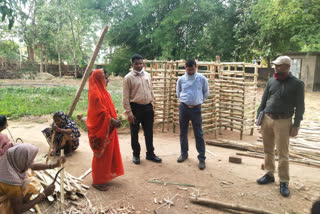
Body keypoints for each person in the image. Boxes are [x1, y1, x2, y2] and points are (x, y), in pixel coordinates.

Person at [256, 55, 305, 197]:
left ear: (287, 67)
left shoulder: (297, 84)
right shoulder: (271, 81)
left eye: (279, 65)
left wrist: (296, 125)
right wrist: (259, 117)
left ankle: (284, 181)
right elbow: (264, 100)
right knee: (268, 149)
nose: (275, 67)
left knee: (283, 153)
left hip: (284, 121)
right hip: (267, 119)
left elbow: (300, 107)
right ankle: (269, 174)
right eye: (275, 65)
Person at [86, 68, 124, 191]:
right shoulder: (95, 94)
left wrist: (115, 119)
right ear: (99, 79)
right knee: (101, 155)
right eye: (105, 78)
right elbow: (100, 113)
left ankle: (105, 176)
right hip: (101, 129)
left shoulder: (104, 92)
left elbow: (108, 109)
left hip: (108, 128)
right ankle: (98, 181)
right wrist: (112, 121)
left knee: (108, 154)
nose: (107, 80)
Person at [0, 144, 65, 214]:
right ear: (22, 161)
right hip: (4, 200)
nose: (32, 162)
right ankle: (17, 203)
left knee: (29, 175)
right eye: (30, 161)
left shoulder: (10, 158)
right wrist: (43, 195)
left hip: (5, 188)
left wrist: (53, 165)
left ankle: (19, 201)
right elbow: (18, 211)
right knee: (32, 183)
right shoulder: (12, 183)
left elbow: (32, 166)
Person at [123, 54, 162, 164]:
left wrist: (152, 102)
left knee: (149, 132)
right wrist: (129, 113)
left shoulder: (147, 75)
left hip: (148, 107)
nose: (139, 65)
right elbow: (125, 97)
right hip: (135, 108)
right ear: (132, 65)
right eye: (137, 63)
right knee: (134, 133)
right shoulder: (128, 78)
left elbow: (151, 89)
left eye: (141, 63)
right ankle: (136, 155)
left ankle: (150, 154)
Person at [176, 59, 209, 170]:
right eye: (188, 69)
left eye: (192, 69)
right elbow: (178, 93)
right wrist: (186, 102)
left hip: (196, 109)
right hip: (184, 108)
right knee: (183, 132)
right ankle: (184, 153)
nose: (190, 71)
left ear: (196, 67)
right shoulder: (181, 80)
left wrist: (198, 101)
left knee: (198, 133)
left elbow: (205, 93)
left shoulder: (202, 79)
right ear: (185, 68)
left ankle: (201, 158)